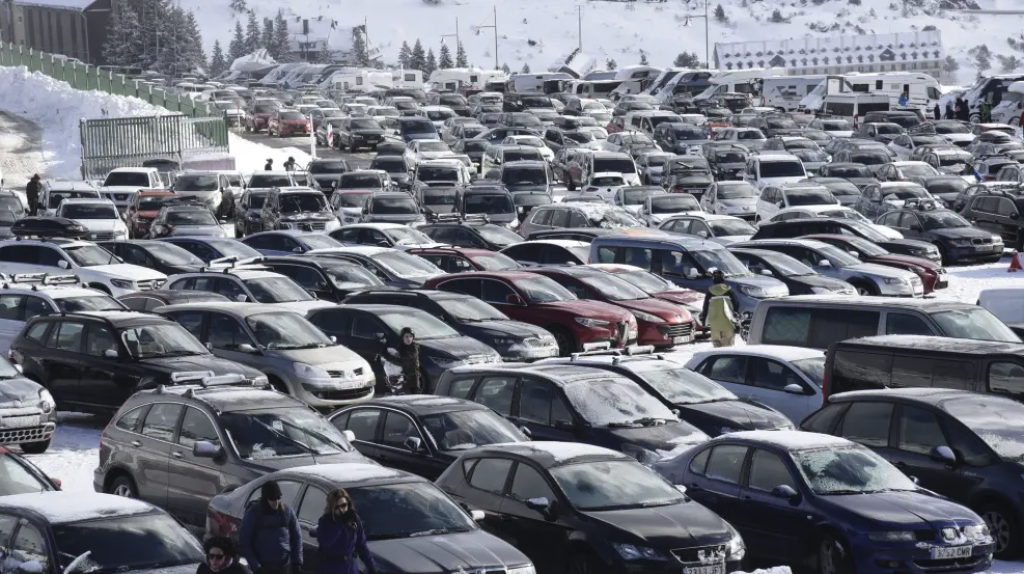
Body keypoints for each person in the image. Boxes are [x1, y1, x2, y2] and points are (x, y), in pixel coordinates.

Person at [239, 481, 303, 574]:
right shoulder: (254, 513)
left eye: (278, 497)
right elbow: (244, 542)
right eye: (272, 498)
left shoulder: (287, 512)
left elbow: (297, 538)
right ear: (265, 498)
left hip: (283, 568)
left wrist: (298, 562)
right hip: (261, 568)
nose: (276, 502)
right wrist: (256, 567)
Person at [315, 489, 376, 574]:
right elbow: (326, 541)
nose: (341, 510)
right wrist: (340, 523)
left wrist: (371, 567)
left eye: (343, 505)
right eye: (336, 507)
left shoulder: (354, 518)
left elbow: (361, 545)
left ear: (348, 503)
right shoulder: (325, 521)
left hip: (350, 567)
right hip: (331, 567)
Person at [699, 269, 740, 348]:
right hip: (728, 323)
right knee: (728, 346)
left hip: (715, 324)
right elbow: (736, 304)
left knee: (717, 346)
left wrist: (704, 322)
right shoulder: (729, 291)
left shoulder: (710, 293)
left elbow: (705, 308)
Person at [379, 327, 421, 394]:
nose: (409, 339)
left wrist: (387, 356)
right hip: (403, 377)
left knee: (413, 396)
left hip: (412, 378)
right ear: (402, 338)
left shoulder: (413, 348)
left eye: (410, 336)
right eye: (406, 336)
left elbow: (402, 361)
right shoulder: (402, 347)